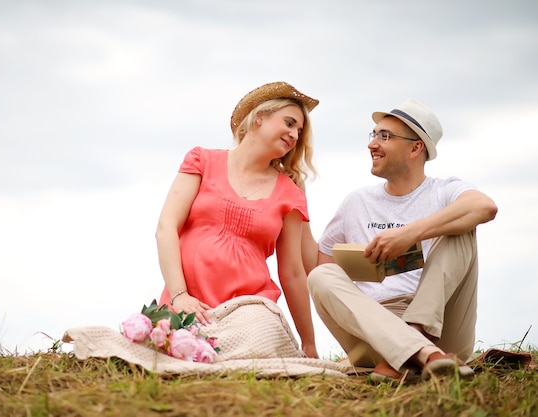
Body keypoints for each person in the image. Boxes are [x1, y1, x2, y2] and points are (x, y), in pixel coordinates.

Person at [303, 99, 498, 381]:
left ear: (415, 147)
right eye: (374, 135)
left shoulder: (444, 192)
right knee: (320, 276)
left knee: (461, 227)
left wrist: (409, 233)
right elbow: (323, 271)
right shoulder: (355, 203)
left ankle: (413, 344)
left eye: (385, 136)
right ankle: (421, 354)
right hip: (374, 331)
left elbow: (485, 207)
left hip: (441, 328)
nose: (372, 144)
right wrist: (296, 204)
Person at [156, 81, 320, 359]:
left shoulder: (290, 194)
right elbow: (166, 228)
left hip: (249, 309)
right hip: (189, 303)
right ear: (260, 117)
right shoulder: (202, 161)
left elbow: (292, 272)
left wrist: (309, 344)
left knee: (258, 333)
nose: (294, 134)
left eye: (298, 131)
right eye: (289, 123)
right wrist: (179, 295)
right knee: (170, 345)